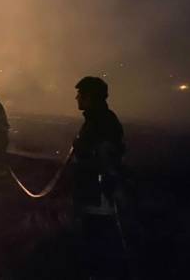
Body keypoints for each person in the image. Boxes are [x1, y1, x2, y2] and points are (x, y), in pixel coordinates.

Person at [71, 76, 129, 279]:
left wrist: (112, 187)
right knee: (92, 239)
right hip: (91, 191)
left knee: (98, 239)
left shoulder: (102, 122)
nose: (76, 97)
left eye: (80, 94)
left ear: (89, 97)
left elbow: (107, 157)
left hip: (99, 194)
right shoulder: (96, 119)